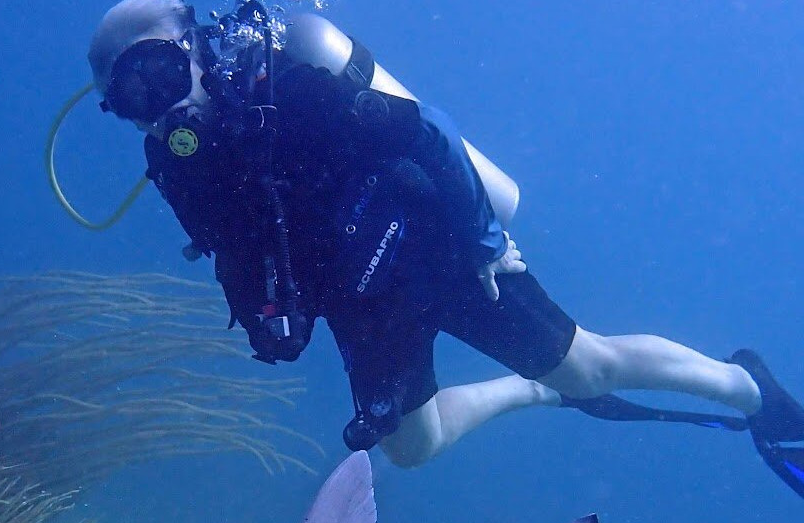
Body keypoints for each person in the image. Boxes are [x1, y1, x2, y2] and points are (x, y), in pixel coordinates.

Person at [85, 0, 804, 497]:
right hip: (360, 301)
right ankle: (533, 391)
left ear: (197, 48)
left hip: (441, 246)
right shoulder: (177, 166)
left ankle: (752, 391)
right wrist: (267, 320)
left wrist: (485, 243)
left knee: (593, 367)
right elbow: (235, 252)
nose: (162, 105)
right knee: (414, 449)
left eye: (161, 73)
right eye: (134, 98)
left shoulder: (292, 87)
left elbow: (429, 131)